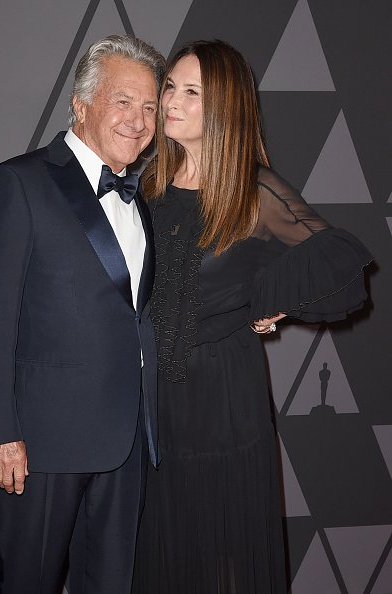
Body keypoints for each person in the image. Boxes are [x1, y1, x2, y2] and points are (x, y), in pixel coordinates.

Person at [131, 40, 372, 594]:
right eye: (171, 86)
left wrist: (273, 298)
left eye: (192, 92)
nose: (171, 101)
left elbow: (339, 264)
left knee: (223, 557)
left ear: (225, 107)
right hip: (153, 407)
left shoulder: (254, 190)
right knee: (160, 558)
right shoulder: (149, 184)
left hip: (223, 401)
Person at [0, 35, 165, 594]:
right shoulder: (16, 184)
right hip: (39, 446)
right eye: (123, 101)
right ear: (81, 105)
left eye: (149, 106)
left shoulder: (138, 199)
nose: (140, 119)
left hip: (123, 441)